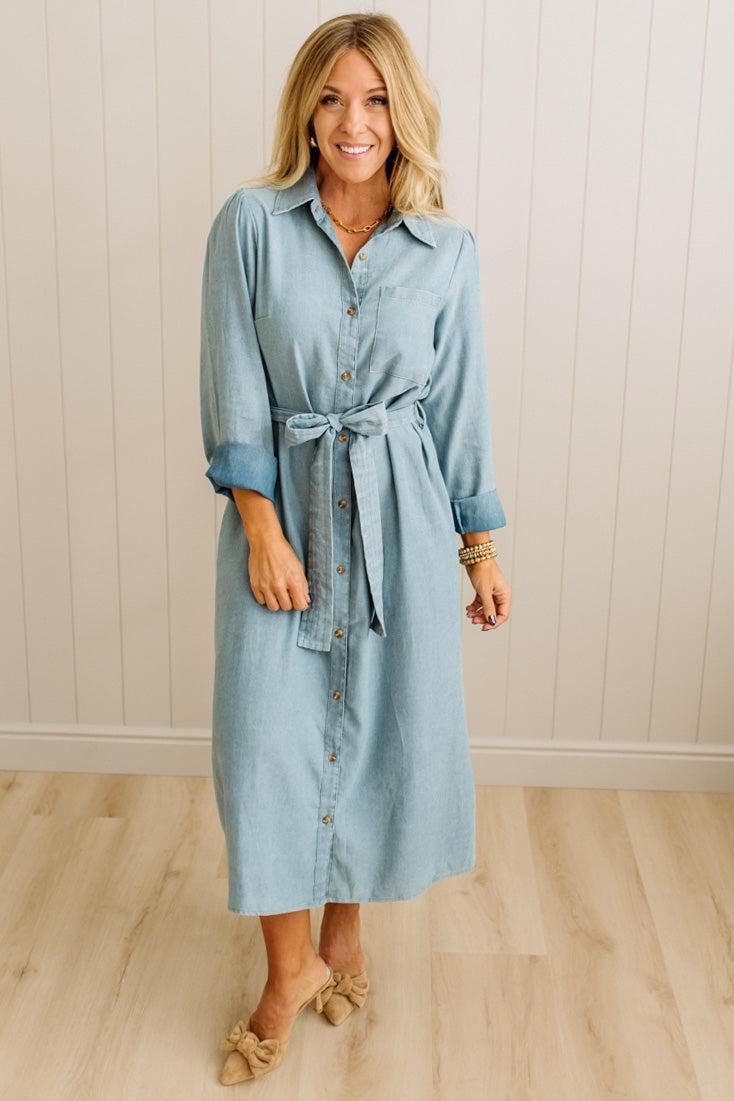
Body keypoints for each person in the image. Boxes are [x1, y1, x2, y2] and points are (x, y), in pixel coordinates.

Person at [199, 11, 513, 1085]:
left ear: (402, 115)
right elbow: (232, 381)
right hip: (280, 514)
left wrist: (478, 548)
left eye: (374, 99)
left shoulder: (447, 251)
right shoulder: (248, 224)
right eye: (330, 98)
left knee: (375, 738)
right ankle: (283, 977)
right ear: (304, 111)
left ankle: (343, 939)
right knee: (269, 753)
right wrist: (257, 526)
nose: (352, 120)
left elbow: (459, 409)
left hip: (402, 526)